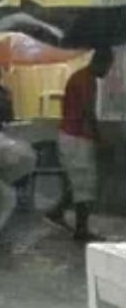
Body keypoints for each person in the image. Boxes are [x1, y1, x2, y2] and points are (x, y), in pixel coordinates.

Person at [46, 48, 114, 242]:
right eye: (109, 66)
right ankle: (81, 230)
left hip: (70, 134)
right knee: (85, 184)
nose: (109, 72)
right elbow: (87, 112)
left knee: (77, 182)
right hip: (77, 136)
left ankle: (56, 211)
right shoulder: (86, 80)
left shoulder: (82, 77)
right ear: (100, 63)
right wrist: (100, 138)